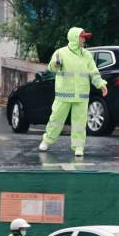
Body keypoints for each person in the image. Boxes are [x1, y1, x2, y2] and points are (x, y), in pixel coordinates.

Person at [38, 27, 108, 157]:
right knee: (56, 119)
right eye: (82, 37)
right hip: (64, 94)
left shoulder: (87, 55)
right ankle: (47, 140)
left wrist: (101, 84)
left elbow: (94, 72)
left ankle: (78, 147)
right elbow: (51, 68)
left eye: (85, 37)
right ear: (75, 38)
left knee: (80, 122)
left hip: (81, 95)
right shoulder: (61, 52)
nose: (84, 40)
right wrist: (56, 63)